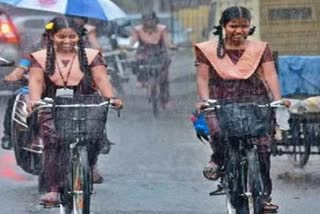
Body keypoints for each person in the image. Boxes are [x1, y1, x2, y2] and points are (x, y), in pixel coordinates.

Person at [194, 6, 289, 213]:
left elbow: (271, 75)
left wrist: (278, 99)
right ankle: (218, 159)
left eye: (244, 26)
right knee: (219, 133)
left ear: (250, 27)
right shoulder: (207, 50)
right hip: (219, 101)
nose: (239, 30)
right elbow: (202, 78)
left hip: (255, 101)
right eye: (233, 26)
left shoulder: (261, 48)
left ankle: (263, 199)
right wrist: (204, 100)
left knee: (263, 151)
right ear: (223, 26)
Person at [28, 16, 122, 204]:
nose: (67, 41)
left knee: (95, 138)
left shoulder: (92, 56)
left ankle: (89, 165)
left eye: (72, 37)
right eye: (61, 37)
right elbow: (36, 81)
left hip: (86, 103)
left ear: (79, 37)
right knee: (53, 143)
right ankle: (54, 189)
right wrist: (35, 100)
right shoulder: (40, 57)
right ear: (52, 36)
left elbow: (102, 79)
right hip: (51, 105)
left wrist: (111, 97)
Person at [129, 11, 176, 109]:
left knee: (164, 78)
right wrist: (128, 47)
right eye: (147, 20)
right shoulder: (137, 30)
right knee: (136, 62)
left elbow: (167, 43)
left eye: (151, 20)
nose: (149, 22)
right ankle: (141, 79)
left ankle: (165, 99)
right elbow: (132, 42)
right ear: (143, 21)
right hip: (144, 53)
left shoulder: (162, 29)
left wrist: (172, 46)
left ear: (156, 20)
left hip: (159, 53)